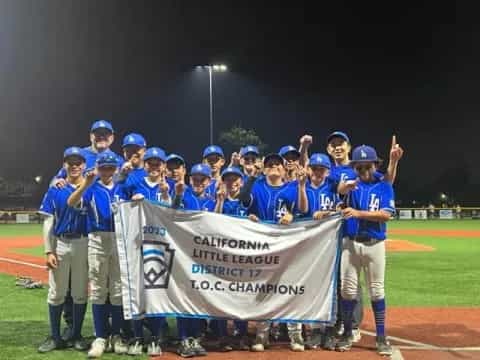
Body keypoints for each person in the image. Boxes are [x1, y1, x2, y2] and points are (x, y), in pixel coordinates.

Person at [239, 152, 308, 352]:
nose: (274, 167)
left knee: (290, 288)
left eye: (278, 164)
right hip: (264, 245)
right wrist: (252, 176)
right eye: (269, 164)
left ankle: (295, 333)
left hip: (288, 244)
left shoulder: (293, 187)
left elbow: (304, 209)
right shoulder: (258, 186)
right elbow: (243, 199)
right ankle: (262, 332)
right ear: (265, 167)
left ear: (284, 167)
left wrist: (292, 215)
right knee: (265, 289)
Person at [67, 151, 129, 357]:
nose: (107, 171)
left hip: (119, 238)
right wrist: (86, 183)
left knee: (118, 288)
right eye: (103, 167)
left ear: (116, 169)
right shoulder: (91, 187)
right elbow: (71, 202)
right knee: (98, 289)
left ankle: (117, 335)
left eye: (111, 167)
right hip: (97, 238)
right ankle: (100, 336)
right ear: (97, 168)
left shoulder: (123, 187)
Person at [336, 145, 395, 356]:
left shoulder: (384, 184)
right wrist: (344, 188)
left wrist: (359, 214)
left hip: (375, 244)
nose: (363, 171)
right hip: (350, 244)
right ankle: (347, 334)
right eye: (358, 167)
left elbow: (387, 214)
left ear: (375, 165)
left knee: (377, 291)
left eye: (366, 166)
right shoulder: (352, 185)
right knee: (347, 291)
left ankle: (380, 336)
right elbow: (340, 192)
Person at [37, 147, 89, 353]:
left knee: (79, 293)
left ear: (84, 165)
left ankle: (76, 334)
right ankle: (55, 336)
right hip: (61, 243)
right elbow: (48, 222)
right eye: (70, 162)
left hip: (83, 243)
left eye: (78, 162)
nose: (75, 165)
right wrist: (48, 251)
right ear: (64, 165)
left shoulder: (91, 187)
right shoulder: (55, 189)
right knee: (57, 293)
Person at [126, 147, 172, 356]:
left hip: (160, 246)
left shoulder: (168, 186)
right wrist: (130, 202)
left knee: (157, 290)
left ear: (163, 166)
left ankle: (155, 336)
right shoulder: (133, 184)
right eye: (150, 163)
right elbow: (119, 206)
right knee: (136, 289)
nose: (154, 166)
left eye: (158, 163)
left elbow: (174, 214)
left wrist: (166, 194)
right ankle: (137, 336)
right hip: (136, 244)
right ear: (145, 165)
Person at [172, 163, 215, 357]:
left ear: (209, 181)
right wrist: (178, 195)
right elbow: (171, 213)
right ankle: (183, 339)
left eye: (202, 179)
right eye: (195, 178)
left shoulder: (213, 200)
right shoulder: (183, 194)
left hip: (204, 255)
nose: (198, 182)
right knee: (183, 296)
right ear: (190, 179)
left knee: (199, 296)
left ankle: (194, 338)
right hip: (183, 253)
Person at [212, 166, 249, 351]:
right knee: (221, 294)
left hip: (243, 256)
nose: (232, 183)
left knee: (241, 294)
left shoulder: (246, 201)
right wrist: (219, 201)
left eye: (235, 179)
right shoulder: (221, 201)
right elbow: (213, 221)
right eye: (228, 179)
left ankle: (241, 334)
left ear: (241, 182)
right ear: (223, 182)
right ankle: (222, 335)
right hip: (223, 256)